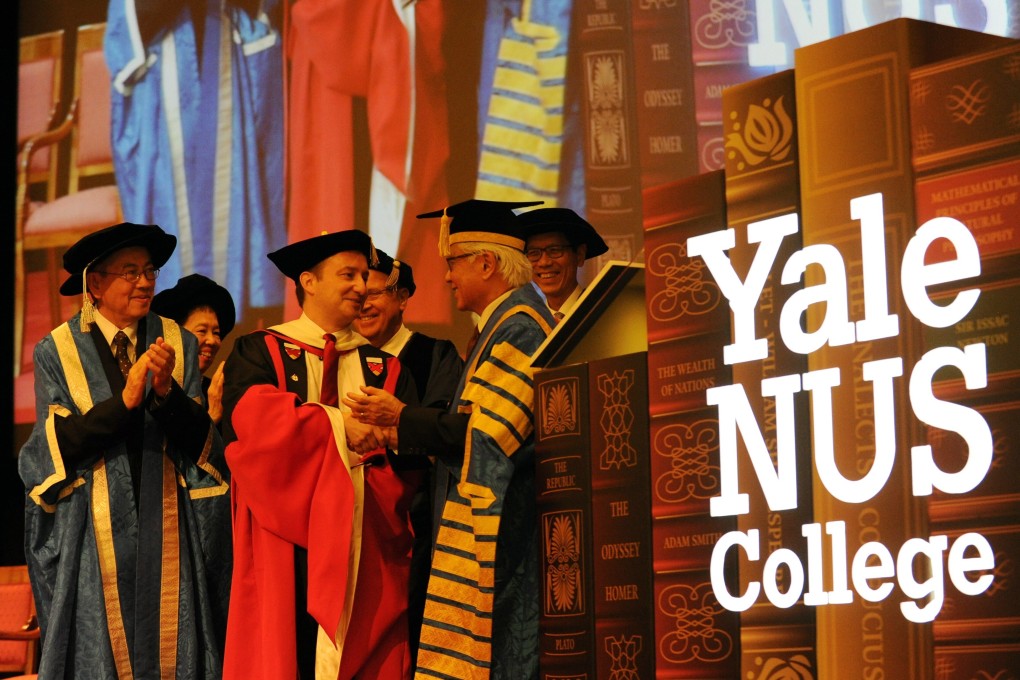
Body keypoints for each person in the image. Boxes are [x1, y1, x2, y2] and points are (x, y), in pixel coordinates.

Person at [345, 199, 555, 679]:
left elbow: (489, 434)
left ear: (486, 262)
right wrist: (396, 431)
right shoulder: (499, 326)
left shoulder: (520, 328)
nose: (446, 277)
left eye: (453, 263)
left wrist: (403, 417)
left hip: (508, 533)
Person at [19, 222, 231, 679]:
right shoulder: (56, 349)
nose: (145, 282)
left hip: (169, 524)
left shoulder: (178, 341)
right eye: (130, 271)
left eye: (150, 271)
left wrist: (165, 394)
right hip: (94, 532)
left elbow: (203, 442)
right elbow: (59, 444)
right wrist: (126, 401)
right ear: (95, 283)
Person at [220, 229, 421, 680]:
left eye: (365, 276)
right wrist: (338, 429)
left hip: (362, 539)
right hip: (282, 538)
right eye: (347, 274)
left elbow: (405, 461)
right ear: (308, 282)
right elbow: (250, 424)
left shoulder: (384, 366)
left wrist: (384, 443)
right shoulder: (261, 351)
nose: (361, 286)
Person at [352, 249, 463, 662]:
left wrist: (392, 430)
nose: (363, 303)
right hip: (352, 522)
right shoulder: (338, 357)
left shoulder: (435, 354)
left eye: (375, 292)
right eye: (356, 292)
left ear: (401, 297)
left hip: (415, 522)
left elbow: (443, 428)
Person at [151, 273, 237, 424]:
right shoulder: (152, 388)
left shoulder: (218, 395)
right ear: (175, 334)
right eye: (202, 331)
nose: (212, 341)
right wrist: (212, 417)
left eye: (216, 333)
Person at [518, 207, 608, 321]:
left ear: (579, 255)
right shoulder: (528, 325)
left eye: (555, 250)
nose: (544, 262)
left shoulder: (602, 312)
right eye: (533, 253)